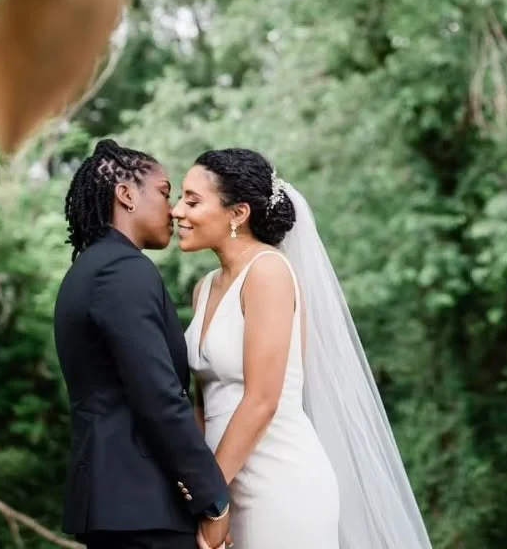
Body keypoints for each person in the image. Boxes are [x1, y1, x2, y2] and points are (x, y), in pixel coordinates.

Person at [174, 148, 433, 549]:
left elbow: (262, 399)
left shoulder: (269, 272)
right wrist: (208, 495)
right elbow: (204, 403)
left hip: (278, 481)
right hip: (222, 481)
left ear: (238, 214)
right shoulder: (204, 288)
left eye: (192, 201)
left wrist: (212, 499)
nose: (177, 211)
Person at [53, 139, 234, 549]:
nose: (172, 209)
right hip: (141, 505)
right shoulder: (123, 271)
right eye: (165, 192)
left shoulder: (90, 269)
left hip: (118, 503)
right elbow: (158, 395)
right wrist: (213, 499)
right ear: (126, 194)